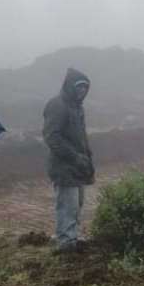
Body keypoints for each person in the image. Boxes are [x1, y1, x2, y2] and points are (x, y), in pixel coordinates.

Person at [43, 68, 95, 251]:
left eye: (85, 87)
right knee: (67, 205)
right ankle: (65, 243)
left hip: (77, 166)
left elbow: (80, 136)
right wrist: (74, 157)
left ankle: (72, 238)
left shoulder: (77, 107)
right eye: (78, 87)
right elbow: (51, 137)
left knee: (77, 204)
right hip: (64, 167)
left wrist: (87, 158)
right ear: (69, 87)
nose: (82, 90)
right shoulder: (58, 105)